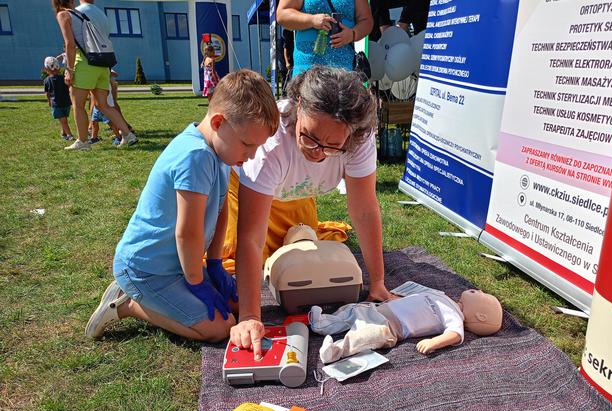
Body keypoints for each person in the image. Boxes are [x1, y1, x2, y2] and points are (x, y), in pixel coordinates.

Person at [84, 70, 279, 342]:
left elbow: (221, 211)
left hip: (174, 266)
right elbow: (187, 232)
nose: (252, 155)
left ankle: (160, 296)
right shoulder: (195, 157)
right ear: (219, 122)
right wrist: (197, 282)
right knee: (219, 328)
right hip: (147, 269)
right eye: (248, 144)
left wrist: (214, 264)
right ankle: (126, 305)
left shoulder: (222, 152)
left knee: (236, 306)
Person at [223, 66, 393, 359]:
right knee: (234, 263)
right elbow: (250, 237)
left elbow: (364, 209)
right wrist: (251, 316)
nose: (317, 152)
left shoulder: (360, 139)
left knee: (301, 256)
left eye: (332, 146)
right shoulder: (271, 144)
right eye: (309, 137)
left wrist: (377, 282)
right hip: (245, 191)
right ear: (298, 106)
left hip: (296, 192)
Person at [310, 286, 503, 363]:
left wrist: (434, 342)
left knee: (362, 337)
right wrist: (395, 298)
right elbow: (415, 299)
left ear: (481, 316)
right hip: (379, 309)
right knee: (351, 311)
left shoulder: (455, 316)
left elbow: (455, 334)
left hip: (390, 327)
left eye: (483, 295)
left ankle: (335, 351)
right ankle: (322, 323)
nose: (478, 290)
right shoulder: (442, 296)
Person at [52, 0, 137, 150]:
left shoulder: (63, 15)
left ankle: (83, 141)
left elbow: (69, 44)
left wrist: (69, 69)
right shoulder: (84, 14)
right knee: (103, 105)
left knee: (78, 105)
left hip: (85, 64)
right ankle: (128, 134)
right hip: (102, 64)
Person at [277, 0, 373, 76]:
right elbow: (282, 14)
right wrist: (311, 20)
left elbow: (366, 21)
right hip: (307, 69)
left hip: (344, 70)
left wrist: (352, 34)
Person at [43, 56, 74, 141]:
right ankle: (63, 133)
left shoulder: (46, 80)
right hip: (67, 103)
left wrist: (49, 102)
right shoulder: (64, 78)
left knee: (63, 120)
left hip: (56, 103)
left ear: (46, 69)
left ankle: (69, 135)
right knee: (63, 119)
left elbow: (48, 93)